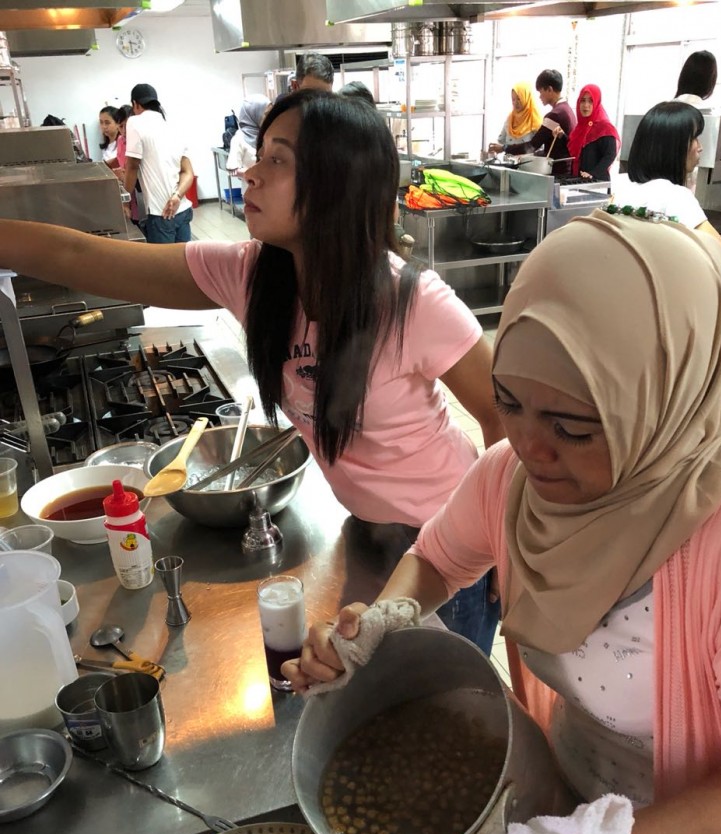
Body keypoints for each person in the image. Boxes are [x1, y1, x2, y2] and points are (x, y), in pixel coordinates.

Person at [285, 208, 721, 834]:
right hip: (567, 793)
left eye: (570, 424)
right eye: (510, 402)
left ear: (662, 401)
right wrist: (389, 616)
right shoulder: (512, 480)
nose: (529, 446)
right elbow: (436, 556)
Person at [0, 89, 503, 654]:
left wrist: (506, 544)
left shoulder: (411, 300)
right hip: (365, 531)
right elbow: (82, 259)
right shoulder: (256, 276)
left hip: (448, 547)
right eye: (259, 155)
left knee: (445, 709)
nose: (250, 172)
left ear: (336, 182)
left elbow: (501, 417)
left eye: (277, 160)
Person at [613, 101, 721, 259]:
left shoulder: (622, 186)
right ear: (674, 147)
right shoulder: (676, 196)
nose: (700, 147)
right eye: (695, 138)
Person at [123, 83, 194, 244]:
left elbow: (132, 166)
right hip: (182, 209)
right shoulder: (172, 127)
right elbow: (188, 172)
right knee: (184, 264)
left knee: (164, 267)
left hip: (160, 214)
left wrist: (125, 202)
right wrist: (177, 196)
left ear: (135, 104)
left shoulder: (135, 122)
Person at [567, 84, 620, 181]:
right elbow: (577, 150)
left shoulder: (605, 127)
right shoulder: (580, 127)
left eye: (591, 101)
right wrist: (562, 136)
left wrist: (593, 174)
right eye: (582, 100)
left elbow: (610, 154)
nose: (585, 105)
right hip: (579, 181)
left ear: (597, 102)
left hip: (597, 183)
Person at [529, 69, 576, 175]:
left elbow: (533, 145)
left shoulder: (555, 115)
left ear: (550, 89)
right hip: (568, 169)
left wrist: (505, 148)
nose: (540, 96)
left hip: (557, 171)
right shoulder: (568, 109)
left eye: (541, 92)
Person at [488, 82, 542, 156]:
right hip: (509, 164)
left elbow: (538, 148)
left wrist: (505, 148)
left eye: (519, 99)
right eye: (513, 99)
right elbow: (501, 141)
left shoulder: (535, 120)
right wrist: (494, 148)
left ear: (526, 98)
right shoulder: (510, 119)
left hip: (527, 165)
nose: (515, 103)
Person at [226, 94, 270, 181]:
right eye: (266, 114)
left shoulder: (269, 134)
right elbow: (232, 170)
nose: (269, 118)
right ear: (254, 114)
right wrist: (255, 172)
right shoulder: (239, 139)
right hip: (253, 189)